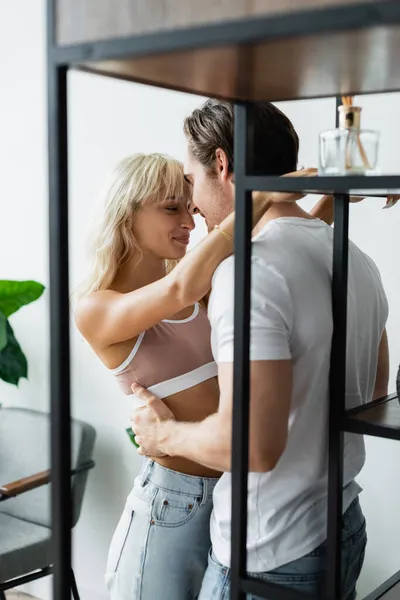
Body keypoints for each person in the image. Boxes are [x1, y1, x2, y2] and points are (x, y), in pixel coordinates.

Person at [131, 100, 390, 600]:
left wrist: (163, 433)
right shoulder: (357, 259)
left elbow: (249, 447)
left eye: (191, 180)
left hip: (271, 553)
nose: (193, 204)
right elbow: (373, 392)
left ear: (222, 166)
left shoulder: (249, 273)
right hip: (341, 524)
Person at [75, 148, 340, 600]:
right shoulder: (97, 307)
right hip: (171, 503)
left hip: (230, 496)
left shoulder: (193, 281)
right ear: (127, 213)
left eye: (190, 206)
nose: (191, 220)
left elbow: (279, 250)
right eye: (171, 208)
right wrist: (256, 195)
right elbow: (184, 284)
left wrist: (337, 195)